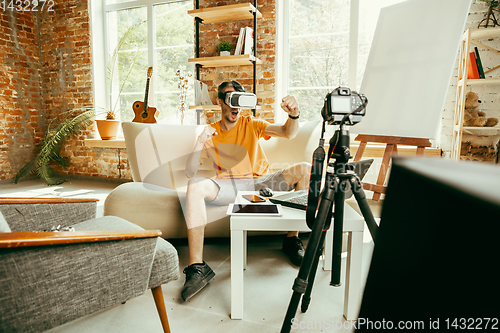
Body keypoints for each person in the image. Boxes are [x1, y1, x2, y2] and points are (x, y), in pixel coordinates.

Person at [181, 80, 311, 302]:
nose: (236, 105)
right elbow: (190, 171)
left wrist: (294, 114)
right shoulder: (211, 131)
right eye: (230, 99)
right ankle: (197, 267)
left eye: (240, 100)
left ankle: (291, 240)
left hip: (261, 183)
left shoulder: (251, 123)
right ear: (220, 101)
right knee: (194, 186)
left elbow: (288, 133)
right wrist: (199, 142)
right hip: (229, 186)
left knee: (305, 170)